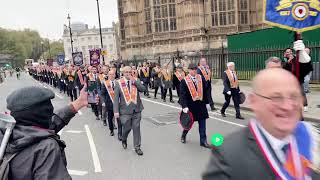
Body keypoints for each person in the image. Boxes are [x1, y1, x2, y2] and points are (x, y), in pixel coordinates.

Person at [202, 68, 320, 180]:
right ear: (254, 102)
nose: (288, 106)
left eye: (294, 97)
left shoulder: (314, 138)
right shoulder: (228, 156)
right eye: (276, 97)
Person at [2, 85, 88, 180]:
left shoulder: (9, 131)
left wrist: (78, 103)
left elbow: (46, 126)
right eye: (48, 107)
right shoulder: (45, 148)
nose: (51, 110)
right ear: (40, 113)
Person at [113, 66, 146, 156]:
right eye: (126, 72)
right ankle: (124, 138)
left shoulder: (136, 80)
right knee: (127, 128)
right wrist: (116, 111)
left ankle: (137, 147)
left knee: (136, 127)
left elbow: (143, 89)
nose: (128, 74)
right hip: (125, 111)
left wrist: (135, 82)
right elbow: (116, 99)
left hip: (137, 109)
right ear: (123, 73)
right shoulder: (118, 83)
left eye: (129, 72)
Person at [179, 64, 211, 148]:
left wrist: (207, 103)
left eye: (195, 69)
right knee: (188, 124)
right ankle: (183, 135)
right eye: (192, 69)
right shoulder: (184, 81)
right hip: (191, 106)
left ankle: (203, 141)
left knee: (203, 124)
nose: (194, 71)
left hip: (201, 105)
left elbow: (205, 91)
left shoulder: (201, 78)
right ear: (188, 70)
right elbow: (182, 95)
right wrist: (184, 106)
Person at [100, 70, 122, 138]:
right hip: (109, 104)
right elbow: (102, 94)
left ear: (115, 75)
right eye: (110, 74)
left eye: (113, 74)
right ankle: (111, 130)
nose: (112, 76)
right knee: (110, 118)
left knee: (119, 119)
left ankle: (120, 133)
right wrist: (103, 102)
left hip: (118, 104)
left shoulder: (118, 82)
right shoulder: (105, 83)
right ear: (108, 75)